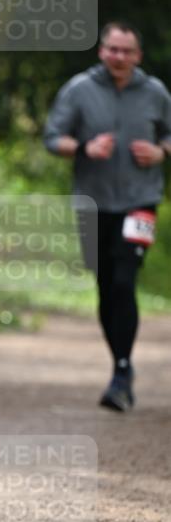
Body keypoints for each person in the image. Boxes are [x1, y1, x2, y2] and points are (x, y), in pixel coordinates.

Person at [44, 21, 171, 411]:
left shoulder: (155, 92)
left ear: (138, 56)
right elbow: (52, 138)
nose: (118, 57)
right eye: (112, 49)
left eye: (126, 51)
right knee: (105, 285)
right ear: (102, 51)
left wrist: (161, 152)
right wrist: (84, 148)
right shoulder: (79, 89)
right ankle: (121, 368)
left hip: (140, 200)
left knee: (124, 278)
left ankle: (121, 370)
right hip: (93, 202)